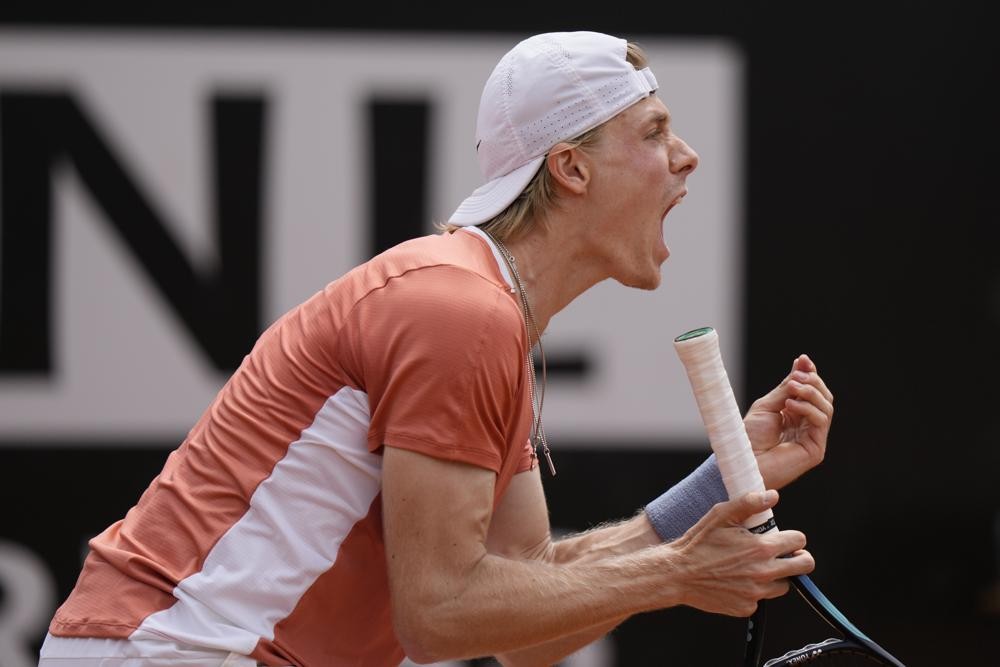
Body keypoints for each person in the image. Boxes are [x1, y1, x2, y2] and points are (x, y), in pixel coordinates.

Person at [39, 30, 834, 666]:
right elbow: (440, 610)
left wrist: (728, 479)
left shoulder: (488, 315)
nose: (686, 154)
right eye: (655, 130)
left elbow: (529, 625)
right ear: (571, 169)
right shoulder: (461, 311)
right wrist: (676, 574)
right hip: (169, 649)